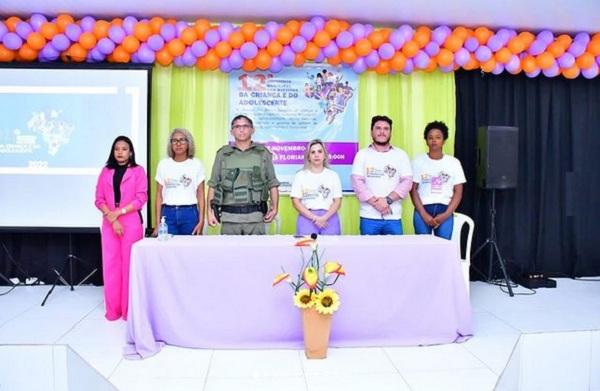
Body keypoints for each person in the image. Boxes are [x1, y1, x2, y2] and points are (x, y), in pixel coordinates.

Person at [94, 136, 147, 321]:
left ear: (130, 151)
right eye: (117, 148)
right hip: (109, 223)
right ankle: (113, 310)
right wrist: (112, 216)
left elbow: (141, 198)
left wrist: (120, 212)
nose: (120, 152)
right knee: (111, 266)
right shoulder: (106, 171)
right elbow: (99, 199)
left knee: (129, 266)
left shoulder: (138, 171)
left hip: (131, 221)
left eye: (124, 149)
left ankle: (128, 311)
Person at [207, 115, 280, 235]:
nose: (241, 129)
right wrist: (209, 213)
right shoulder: (223, 154)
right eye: (237, 126)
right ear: (232, 131)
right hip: (229, 218)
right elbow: (213, 184)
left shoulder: (263, 153)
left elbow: (272, 183)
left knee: (256, 253)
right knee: (229, 254)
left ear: (252, 129)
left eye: (245, 126)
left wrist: (275, 208)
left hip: (255, 217)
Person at [351, 115, 412, 235]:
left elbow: (407, 182)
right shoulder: (362, 154)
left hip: (393, 217)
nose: (382, 132)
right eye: (378, 128)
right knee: (368, 253)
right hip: (368, 217)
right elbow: (357, 182)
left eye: (386, 129)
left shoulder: (401, 155)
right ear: (371, 131)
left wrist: (387, 200)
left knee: (395, 253)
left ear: (390, 132)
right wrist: (376, 203)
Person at [410, 121, 466, 239]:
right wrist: (423, 214)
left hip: (445, 209)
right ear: (426, 140)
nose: (434, 140)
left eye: (438, 137)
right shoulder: (418, 161)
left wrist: (446, 214)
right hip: (422, 210)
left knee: (443, 248)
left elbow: (458, 192)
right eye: (430, 138)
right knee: (422, 248)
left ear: (444, 140)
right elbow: (413, 190)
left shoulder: (454, 163)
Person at [153, 128, 206, 235]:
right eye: (174, 140)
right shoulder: (163, 164)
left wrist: (201, 221)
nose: (178, 143)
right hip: (168, 214)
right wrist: (157, 223)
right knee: (168, 250)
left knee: (190, 250)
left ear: (188, 143)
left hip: (190, 213)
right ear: (171, 144)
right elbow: (159, 195)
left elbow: (201, 194)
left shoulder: (196, 164)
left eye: (182, 140)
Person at [291, 139, 342, 235]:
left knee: (331, 249)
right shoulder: (300, 175)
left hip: (329, 218)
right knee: (306, 249)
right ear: (308, 157)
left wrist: (324, 218)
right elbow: (295, 201)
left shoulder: (333, 175)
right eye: (313, 152)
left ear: (325, 155)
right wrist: (314, 218)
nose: (316, 155)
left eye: (320, 151)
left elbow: (337, 201)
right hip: (307, 218)